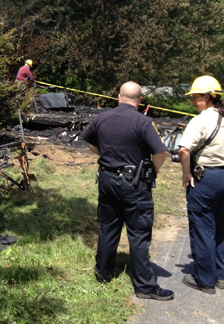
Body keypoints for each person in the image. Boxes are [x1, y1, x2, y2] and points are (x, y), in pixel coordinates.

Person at [82, 81, 173, 301]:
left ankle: (103, 272)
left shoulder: (102, 118)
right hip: (133, 183)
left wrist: (103, 152)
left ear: (119, 97)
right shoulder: (143, 122)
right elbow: (160, 153)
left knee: (109, 226)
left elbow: (88, 139)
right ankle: (145, 287)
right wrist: (155, 171)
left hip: (106, 179)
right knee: (139, 233)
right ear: (139, 100)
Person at [178, 76, 224, 294]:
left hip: (208, 178)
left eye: (195, 96)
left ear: (208, 96)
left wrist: (186, 173)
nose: (193, 101)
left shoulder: (200, 120)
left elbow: (184, 149)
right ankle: (221, 275)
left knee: (203, 228)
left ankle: (205, 279)